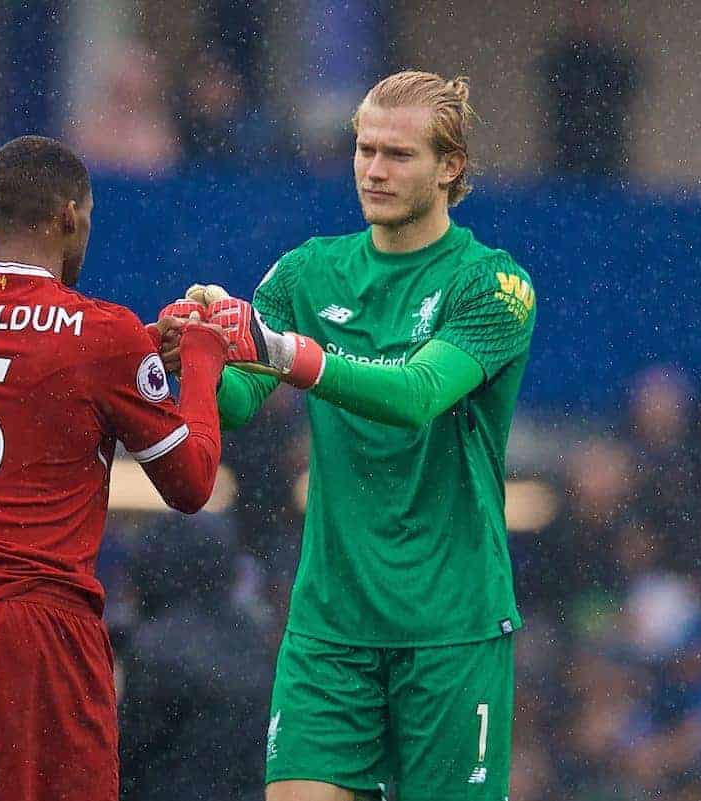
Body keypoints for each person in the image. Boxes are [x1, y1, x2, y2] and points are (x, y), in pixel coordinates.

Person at [158, 71, 538, 800]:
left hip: (451, 626)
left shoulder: (493, 283)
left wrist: (279, 349)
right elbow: (238, 403)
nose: (373, 170)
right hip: (330, 625)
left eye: (398, 154)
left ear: (451, 168)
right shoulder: (308, 270)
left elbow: (416, 395)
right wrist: (198, 353)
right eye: (364, 150)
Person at [0, 135, 229, 801]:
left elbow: (18, 368)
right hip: (39, 631)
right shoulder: (103, 337)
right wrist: (204, 361)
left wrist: (137, 363)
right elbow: (191, 482)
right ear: (71, 215)